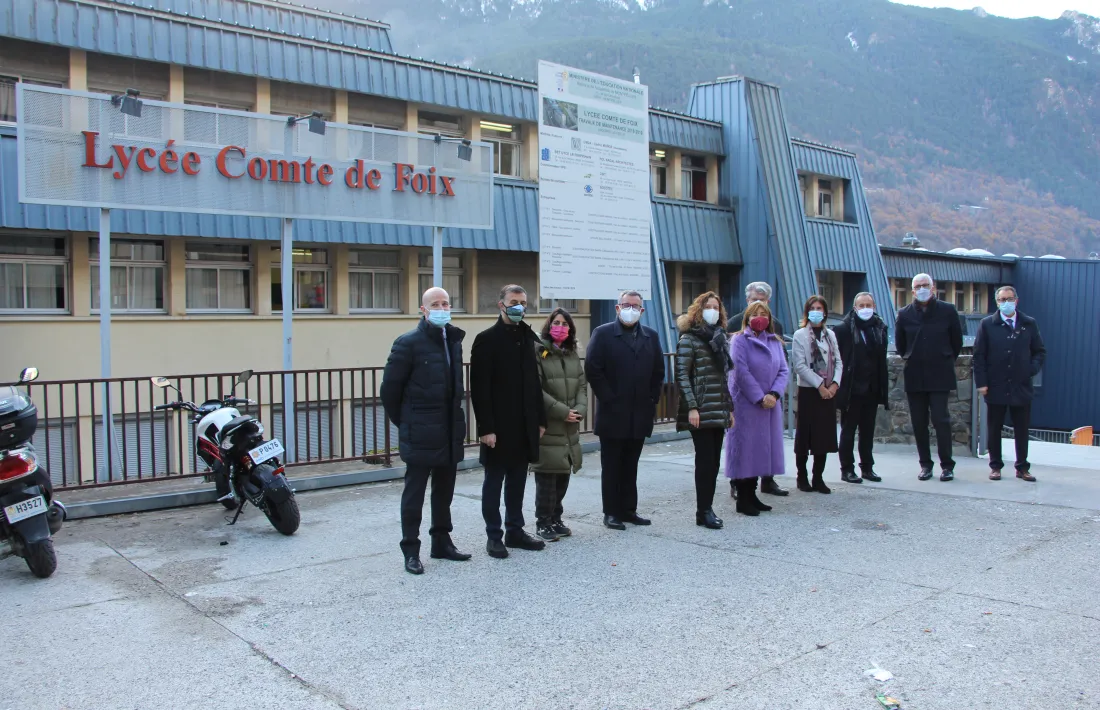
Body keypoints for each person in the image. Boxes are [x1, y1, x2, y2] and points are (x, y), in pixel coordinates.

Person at [381, 287, 472, 575]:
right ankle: (411, 550)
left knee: (444, 491)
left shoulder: (453, 340)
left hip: (448, 430)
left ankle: (441, 542)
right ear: (423, 309)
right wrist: (407, 422)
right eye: (435, 304)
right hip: (420, 431)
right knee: (415, 494)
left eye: (446, 303)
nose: (442, 308)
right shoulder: (408, 343)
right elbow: (389, 391)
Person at [470, 284, 547, 559]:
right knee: (494, 483)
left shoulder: (528, 336)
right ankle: (494, 536)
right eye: (514, 301)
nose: (519, 307)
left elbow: (534, 382)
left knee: (517, 482)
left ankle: (515, 530)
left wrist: (539, 419)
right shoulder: (486, 339)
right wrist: (486, 429)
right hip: (498, 428)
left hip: (524, 424)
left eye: (523, 302)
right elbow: (479, 389)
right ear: (501, 304)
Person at [585, 290, 666, 530]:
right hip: (613, 412)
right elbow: (593, 369)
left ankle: (629, 509)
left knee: (631, 464)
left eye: (635, 306)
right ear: (617, 308)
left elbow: (658, 372)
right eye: (626, 304)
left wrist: (652, 399)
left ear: (641, 311)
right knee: (611, 466)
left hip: (640, 412)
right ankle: (611, 512)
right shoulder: (603, 333)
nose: (630, 309)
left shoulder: (651, 336)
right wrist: (609, 398)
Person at [973, 286, 1046, 482]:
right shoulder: (987, 324)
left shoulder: (1028, 324)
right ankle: (995, 466)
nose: (1006, 302)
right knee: (994, 427)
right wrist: (982, 382)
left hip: (1021, 385)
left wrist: (1031, 369)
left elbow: (1039, 351)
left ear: (1016, 300)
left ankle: (1022, 467)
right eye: (1002, 299)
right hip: (995, 384)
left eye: (1009, 298)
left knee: (1022, 428)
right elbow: (979, 356)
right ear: (997, 302)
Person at [894, 273, 963, 481]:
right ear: (912, 290)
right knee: (919, 422)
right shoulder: (904, 314)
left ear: (933, 288)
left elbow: (956, 342)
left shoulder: (948, 311)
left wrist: (944, 357)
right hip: (915, 375)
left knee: (941, 420)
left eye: (926, 285)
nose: (922, 289)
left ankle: (947, 465)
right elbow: (900, 345)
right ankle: (925, 464)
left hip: (940, 373)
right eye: (918, 286)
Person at [675, 292, 735, 530]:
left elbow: (724, 378)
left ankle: (708, 508)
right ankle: (703, 510)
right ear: (698, 310)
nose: (713, 310)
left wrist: (729, 408)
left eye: (716, 307)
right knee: (705, 461)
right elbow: (682, 375)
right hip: (699, 410)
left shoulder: (720, 338)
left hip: (718, 408)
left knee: (713, 462)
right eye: (708, 306)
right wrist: (691, 406)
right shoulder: (689, 338)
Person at [724, 302, 789, 516]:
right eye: (755, 314)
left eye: (764, 314)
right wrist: (759, 397)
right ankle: (743, 498)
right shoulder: (739, 340)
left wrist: (775, 394)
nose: (760, 317)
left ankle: (752, 495)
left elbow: (783, 370)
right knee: (746, 452)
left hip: (770, 405)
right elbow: (740, 371)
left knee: (762, 451)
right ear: (747, 318)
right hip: (747, 405)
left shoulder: (775, 341)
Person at [531, 308, 588, 541]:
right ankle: (543, 522)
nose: (561, 327)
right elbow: (537, 389)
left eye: (565, 324)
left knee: (563, 474)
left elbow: (582, 387)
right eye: (556, 322)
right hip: (550, 423)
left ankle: (556, 517)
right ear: (548, 325)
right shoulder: (539, 351)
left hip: (569, 426)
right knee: (547, 476)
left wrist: (579, 411)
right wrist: (563, 411)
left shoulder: (572, 354)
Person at [833, 292, 890, 484]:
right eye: (861, 305)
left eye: (869, 305)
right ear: (855, 307)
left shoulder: (879, 327)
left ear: (874, 306)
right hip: (852, 388)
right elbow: (836, 360)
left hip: (872, 388)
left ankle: (867, 467)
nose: (866, 308)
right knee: (848, 430)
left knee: (868, 430)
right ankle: (846, 469)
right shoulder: (843, 329)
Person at [791, 295, 843, 494]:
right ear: (807, 312)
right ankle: (801, 476)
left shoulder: (831, 335)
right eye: (813, 307)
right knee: (805, 435)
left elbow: (838, 361)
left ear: (825, 312)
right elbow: (800, 365)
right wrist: (820, 385)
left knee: (824, 435)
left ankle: (818, 477)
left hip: (829, 391)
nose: (816, 311)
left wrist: (835, 384)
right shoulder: (800, 335)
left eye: (819, 307)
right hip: (809, 391)